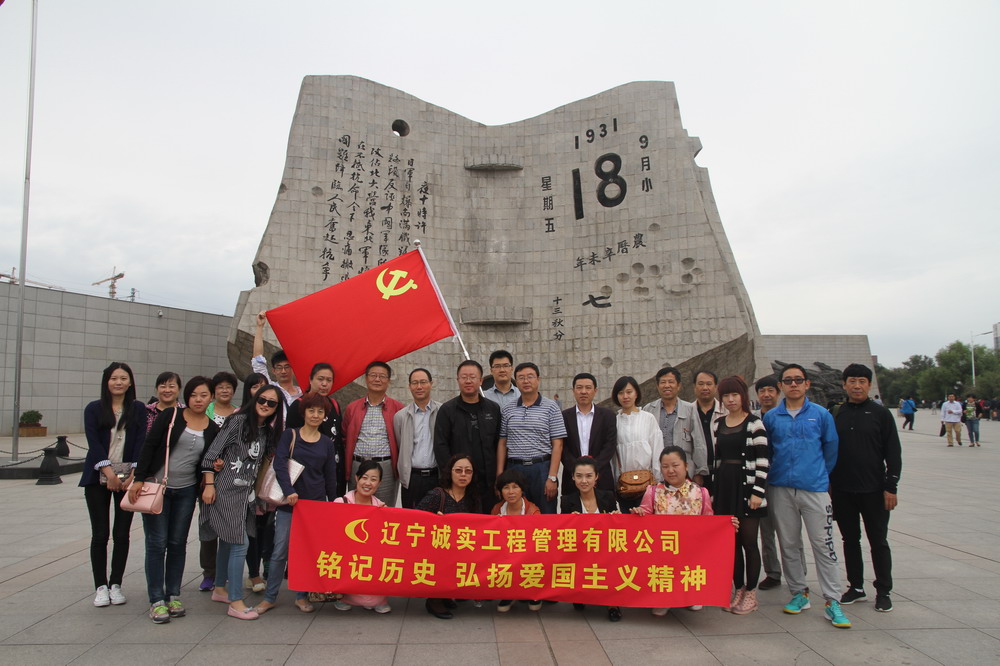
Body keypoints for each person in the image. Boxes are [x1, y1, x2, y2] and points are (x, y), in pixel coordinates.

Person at [763, 364, 850, 629]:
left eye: (798, 380)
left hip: (814, 489)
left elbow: (831, 448)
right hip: (780, 487)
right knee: (789, 543)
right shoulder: (772, 417)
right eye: (788, 380)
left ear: (807, 384)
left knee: (823, 544)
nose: (793, 384)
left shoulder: (821, 415)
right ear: (781, 386)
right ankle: (799, 592)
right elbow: (768, 450)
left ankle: (832, 599)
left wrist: (819, 474)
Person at [129, 376, 219, 624]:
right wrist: (139, 478)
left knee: (178, 543)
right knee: (157, 543)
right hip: (157, 488)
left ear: (210, 398)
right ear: (186, 396)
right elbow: (149, 446)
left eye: (204, 395)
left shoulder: (212, 428)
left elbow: (208, 461)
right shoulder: (171, 416)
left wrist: (215, 469)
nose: (198, 400)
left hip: (186, 491)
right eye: (194, 395)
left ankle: (173, 595)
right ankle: (156, 600)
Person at [200, 384, 284, 620]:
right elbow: (212, 454)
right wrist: (209, 484)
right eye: (262, 400)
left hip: (246, 496)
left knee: (228, 543)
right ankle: (236, 601)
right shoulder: (237, 422)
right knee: (240, 544)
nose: (265, 405)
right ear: (254, 399)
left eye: (272, 403)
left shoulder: (266, 432)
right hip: (225, 491)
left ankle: (220, 588)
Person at [255, 392, 339, 615]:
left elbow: (330, 475)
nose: (315, 415)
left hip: (315, 505)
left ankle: (301, 596)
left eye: (320, 411)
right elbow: (280, 464)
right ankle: (270, 597)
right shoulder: (290, 435)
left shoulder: (326, 443)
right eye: (311, 410)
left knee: (307, 552)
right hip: (290, 504)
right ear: (304, 413)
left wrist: (333, 503)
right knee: (280, 551)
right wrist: (289, 491)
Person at [831, 364, 902, 614]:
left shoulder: (881, 414)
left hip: (874, 490)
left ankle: (883, 591)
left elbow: (893, 452)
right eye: (852, 381)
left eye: (862, 381)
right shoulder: (836, 413)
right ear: (844, 384)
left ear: (869, 385)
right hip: (842, 490)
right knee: (850, 540)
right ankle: (856, 587)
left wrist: (891, 486)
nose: (857, 386)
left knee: (878, 541)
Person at [631, 447, 735, 616]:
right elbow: (645, 515)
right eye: (665, 466)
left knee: (690, 572)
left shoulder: (700, 492)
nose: (670, 470)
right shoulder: (653, 491)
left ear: (686, 466)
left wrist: (726, 526)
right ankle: (664, 598)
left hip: (692, 552)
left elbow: (710, 522)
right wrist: (639, 513)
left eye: (675, 465)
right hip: (663, 551)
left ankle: (692, 596)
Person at [81, 362, 148, 608]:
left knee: (122, 534)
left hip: (128, 478)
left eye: (123, 378)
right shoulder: (94, 409)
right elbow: (93, 443)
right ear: (106, 381)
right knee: (100, 534)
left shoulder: (137, 409)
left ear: (130, 382)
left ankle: (116, 583)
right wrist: (108, 473)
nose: (118, 382)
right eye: (113, 378)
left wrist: (133, 475)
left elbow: (141, 441)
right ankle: (100, 586)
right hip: (98, 477)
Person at [711, 376, 769, 615]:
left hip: (746, 488)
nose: (730, 400)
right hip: (725, 486)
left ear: (743, 396)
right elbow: (717, 459)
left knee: (749, 541)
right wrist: (714, 494)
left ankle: (751, 593)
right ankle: (738, 589)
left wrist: (758, 492)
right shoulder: (718, 424)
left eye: (734, 395)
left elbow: (763, 460)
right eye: (726, 396)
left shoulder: (755, 424)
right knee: (731, 544)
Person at [754, 376, 804, 591]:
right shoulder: (754, 419)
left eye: (770, 390)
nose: (766, 395)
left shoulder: (788, 417)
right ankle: (773, 572)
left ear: (778, 391)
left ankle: (799, 572)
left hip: (784, 480)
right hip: (762, 482)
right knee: (766, 530)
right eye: (762, 391)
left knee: (791, 529)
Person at [496, 362, 567, 514]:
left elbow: (558, 444)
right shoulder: (508, 409)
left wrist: (552, 477)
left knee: (545, 515)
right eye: (521, 378)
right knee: (516, 515)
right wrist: (500, 474)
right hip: (514, 468)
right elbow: (502, 443)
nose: (526, 381)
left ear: (538, 379)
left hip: (541, 468)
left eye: (530, 377)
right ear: (516, 381)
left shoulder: (551, 407)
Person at [434, 360, 502, 512]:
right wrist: (451, 478)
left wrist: (499, 476)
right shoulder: (447, 410)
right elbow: (440, 446)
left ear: (481, 380)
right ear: (458, 380)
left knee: (489, 522)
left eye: (472, 377)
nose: (468, 381)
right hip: (459, 485)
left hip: (488, 483)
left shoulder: (493, 409)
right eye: (464, 377)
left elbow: (499, 444)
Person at [417, 455, 480, 619]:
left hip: (461, 548)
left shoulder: (473, 497)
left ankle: (446, 594)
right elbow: (416, 519)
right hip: (437, 548)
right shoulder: (437, 495)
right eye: (458, 470)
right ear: (450, 473)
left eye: (468, 471)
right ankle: (434, 600)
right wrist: (434, 521)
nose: (463, 474)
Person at [560, 456, 622, 621]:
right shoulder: (567, 501)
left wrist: (617, 517)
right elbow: (563, 536)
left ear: (596, 477)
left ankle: (612, 604)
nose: (584, 481)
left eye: (588, 476)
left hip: (605, 550)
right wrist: (570, 522)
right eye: (579, 476)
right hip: (580, 551)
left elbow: (617, 527)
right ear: (572, 477)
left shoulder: (608, 497)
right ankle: (580, 594)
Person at [198, 371, 240, 593]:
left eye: (228, 387)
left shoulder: (239, 413)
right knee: (208, 526)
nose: (225, 390)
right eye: (220, 387)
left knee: (229, 528)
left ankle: (225, 573)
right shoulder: (206, 411)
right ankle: (209, 573)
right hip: (207, 476)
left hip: (231, 478)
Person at [332, 461, 392, 614]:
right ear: (356, 478)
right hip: (346, 558)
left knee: (375, 600)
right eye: (364, 478)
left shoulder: (381, 508)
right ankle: (342, 595)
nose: (368, 483)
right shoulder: (340, 503)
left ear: (379, 483)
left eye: (373, 479)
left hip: (368, 561)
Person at [343, 361, 405, 505]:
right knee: (356, 509)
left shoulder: (398, 408)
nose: (377, 379)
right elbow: (345, 436)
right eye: (373, 375)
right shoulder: (352, 408)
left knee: (384, 509)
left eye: (382, 376)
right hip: (358, 465)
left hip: (386, 466)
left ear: (388, 381)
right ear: (366, 378)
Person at [642, 367, 709, 484]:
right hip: (656, 473)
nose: (667, 385)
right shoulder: (648, 410)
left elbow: (699, 442)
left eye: (671, 382)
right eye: (663, 382)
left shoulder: (690, 409)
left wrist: (699, 471)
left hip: (684, 473)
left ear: (678, 386)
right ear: (657, 386)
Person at [285, 363, 344, 494]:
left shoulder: (334, 405)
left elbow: (338, 440)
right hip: (307, 474)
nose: (324, 384)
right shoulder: (298, 406)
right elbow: (291, 441)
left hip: (333, 469)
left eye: (329, 380)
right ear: (310, 380)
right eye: (320, 379)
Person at [491, 469, 542, 614]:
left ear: (522, 490)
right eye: (506, 488)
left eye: (515, 487)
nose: (511, 492)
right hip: (505, 554)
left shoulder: (533, 511)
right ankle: (509, 594)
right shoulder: (497, 509)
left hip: (527, 555)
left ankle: (533, 592)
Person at [560, 373, 618, 495]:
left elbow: (610, 446)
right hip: (572, 478)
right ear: (573, 391)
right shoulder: (563, 417)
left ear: (595, 391)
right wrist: (577, 471)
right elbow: (562, 447)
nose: (583, 392)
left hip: (601, 477)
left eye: (588, 388)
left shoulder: (608, 416)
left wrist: (593, 470)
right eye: (579, 388)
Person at [611, 376, 660, 512]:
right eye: (621, 393)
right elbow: (613, 457)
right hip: (625, 485)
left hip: (647, 483)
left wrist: (658, 479)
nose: (625, 396)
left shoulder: (648, 418)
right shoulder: (614, 421)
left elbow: (657, 448)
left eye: (629, 392)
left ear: (636, 393)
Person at [395, 368, 441, 509]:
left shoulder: (442, 411)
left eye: (423, 382)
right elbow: (400, 444)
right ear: (409, 386)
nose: (419, 387)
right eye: (415, 383)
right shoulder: (401, 416)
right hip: (412, 478)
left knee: (437, 517)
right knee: (411, 518)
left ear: (431, 384)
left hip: (436, 477)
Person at [252, 310, 302, 411]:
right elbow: (258, 360)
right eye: (279, 367)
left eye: (287, 367)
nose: (283, 371)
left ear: (293, 369)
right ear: (274, 371)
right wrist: (259, 327)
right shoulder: (269, 389)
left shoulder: (303, 394)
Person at [693, 370, 727, 493]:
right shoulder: (688, 412)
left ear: (716, 387)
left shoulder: (726, 411)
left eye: (709, 384)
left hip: (723, 472)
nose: (705, 388)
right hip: (697, 476)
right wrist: (694, 472)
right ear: (694, 387)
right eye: (701, 384)